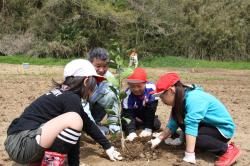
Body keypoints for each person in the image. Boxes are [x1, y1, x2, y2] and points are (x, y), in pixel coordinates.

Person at [4, 59, 122, 165]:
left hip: (19, 142)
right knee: (75, 120)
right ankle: (50, 163)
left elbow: (88, 124)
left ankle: (38, 162)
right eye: (95, 82)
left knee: (77, 120)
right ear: (86, 82)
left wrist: (108, 147)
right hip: (22, 144)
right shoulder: (71, 98)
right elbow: (76, 133)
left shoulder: (64, 95)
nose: (95, 87)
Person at [149, 72, 240, 166]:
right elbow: (173, 123)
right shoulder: (179, 100)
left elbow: (191, 126)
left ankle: (228, 149)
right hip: (208, 126)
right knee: (182, 124)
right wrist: (159, 139)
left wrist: (189, 155)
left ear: (171, 90)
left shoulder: (194, 98)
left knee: (196, 138)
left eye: (162, 96)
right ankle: (200, 145)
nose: (162, 100)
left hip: (222, 129)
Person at [86, 47, 120, 135]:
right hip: (81, 112)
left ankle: (100, 124)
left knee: (111, 95)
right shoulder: (83, 77)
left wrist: (113, 124)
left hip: (95, 112)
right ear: (90, 64)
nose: (102, 70)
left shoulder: (110, 78)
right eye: (98, 66)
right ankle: (88, 126)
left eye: (105, 66)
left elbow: (114, 101)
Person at [122, 68, 161, 141]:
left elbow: (152, 110)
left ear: (145, 83)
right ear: (128, 85)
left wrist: (148, 128)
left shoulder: (152, 89)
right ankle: (135, 129)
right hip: (133, 116)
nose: (136, 89)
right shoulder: (126, 95)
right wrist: (131, 132)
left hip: (145, 114)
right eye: (132, 86)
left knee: (157, 124)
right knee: (124, 124)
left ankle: (144, 127)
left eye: (139, 86)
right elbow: (128, 115)